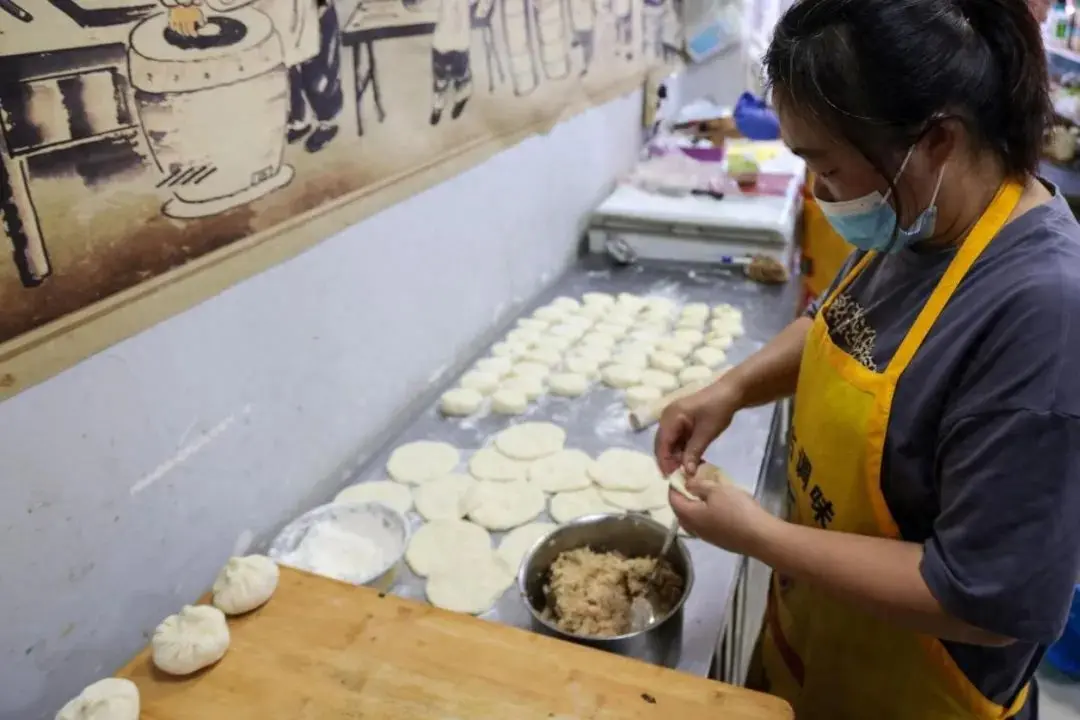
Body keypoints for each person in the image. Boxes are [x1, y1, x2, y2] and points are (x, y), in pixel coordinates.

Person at [655, 1, 1080, 718]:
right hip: (815, 651)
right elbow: (840, 326)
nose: (820, 195)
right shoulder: (922, 214)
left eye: (825, 165)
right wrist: (730, 389)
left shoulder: (1041, 313)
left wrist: (758, 535)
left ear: (936, 140)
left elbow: (981, 598)